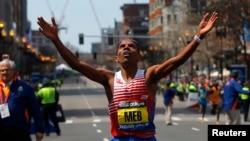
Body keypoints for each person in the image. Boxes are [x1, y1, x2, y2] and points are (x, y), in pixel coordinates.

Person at [37, 12, 218, 141]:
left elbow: (177, 60)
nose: (126, 48)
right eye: (122, 47)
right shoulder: (109, 79)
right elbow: (77, 65)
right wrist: (56, 40)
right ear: (116, 58)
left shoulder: (149, 76)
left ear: (139, 56)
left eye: (131, 46)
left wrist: (198, 37)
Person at [0, 58, 44, 141]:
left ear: (13, 71)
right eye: (2, 71)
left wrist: (39, 129)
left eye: (7, 70)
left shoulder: (24, 87)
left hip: (19, 129)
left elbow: (35, 109)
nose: (4, 73)